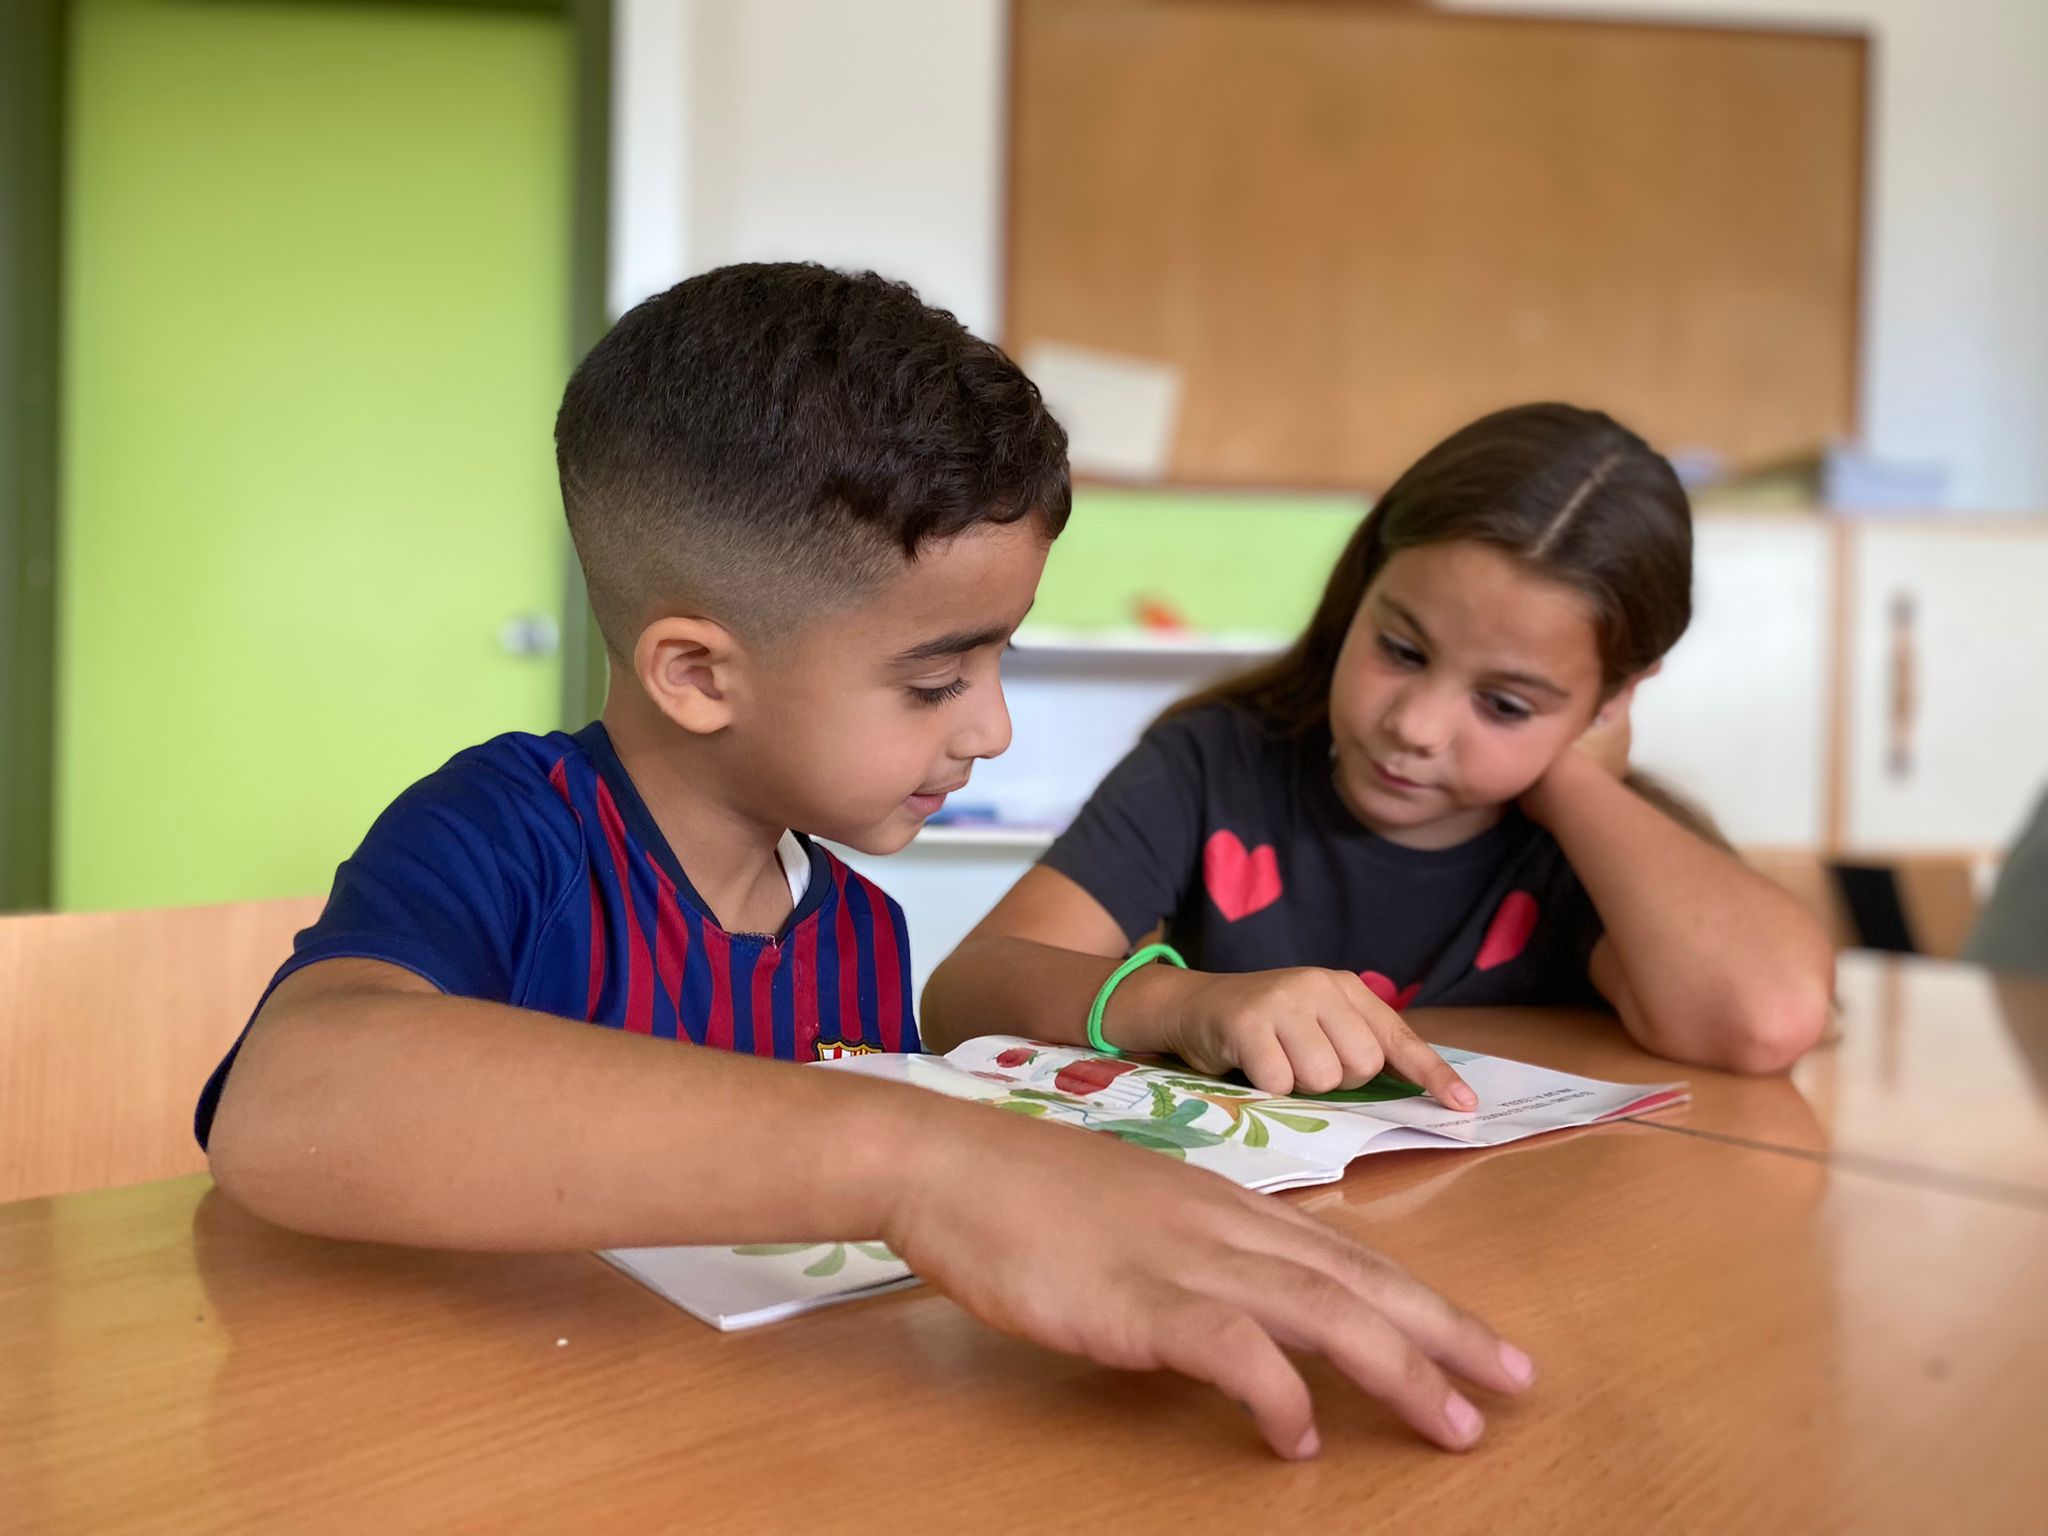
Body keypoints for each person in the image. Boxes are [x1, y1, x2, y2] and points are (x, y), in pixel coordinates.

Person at [197, 263, 1532, 1459]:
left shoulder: (856, 934)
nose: (992, 728)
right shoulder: (504, 837)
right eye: (937, 679)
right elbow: (292, 1100)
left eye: (998, 660)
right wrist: (920, 1160)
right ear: (697, 675)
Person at [924, 403, 1835, 1096]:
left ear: (1613, 699)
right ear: (1362, 589)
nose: (1417, 726)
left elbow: (1770, 1016)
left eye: (1506, 704)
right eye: (1402, 650)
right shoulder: (1211, 767)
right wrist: (1189, 1001)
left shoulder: (1588, 854)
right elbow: (964, 995)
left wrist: (1572, 781)